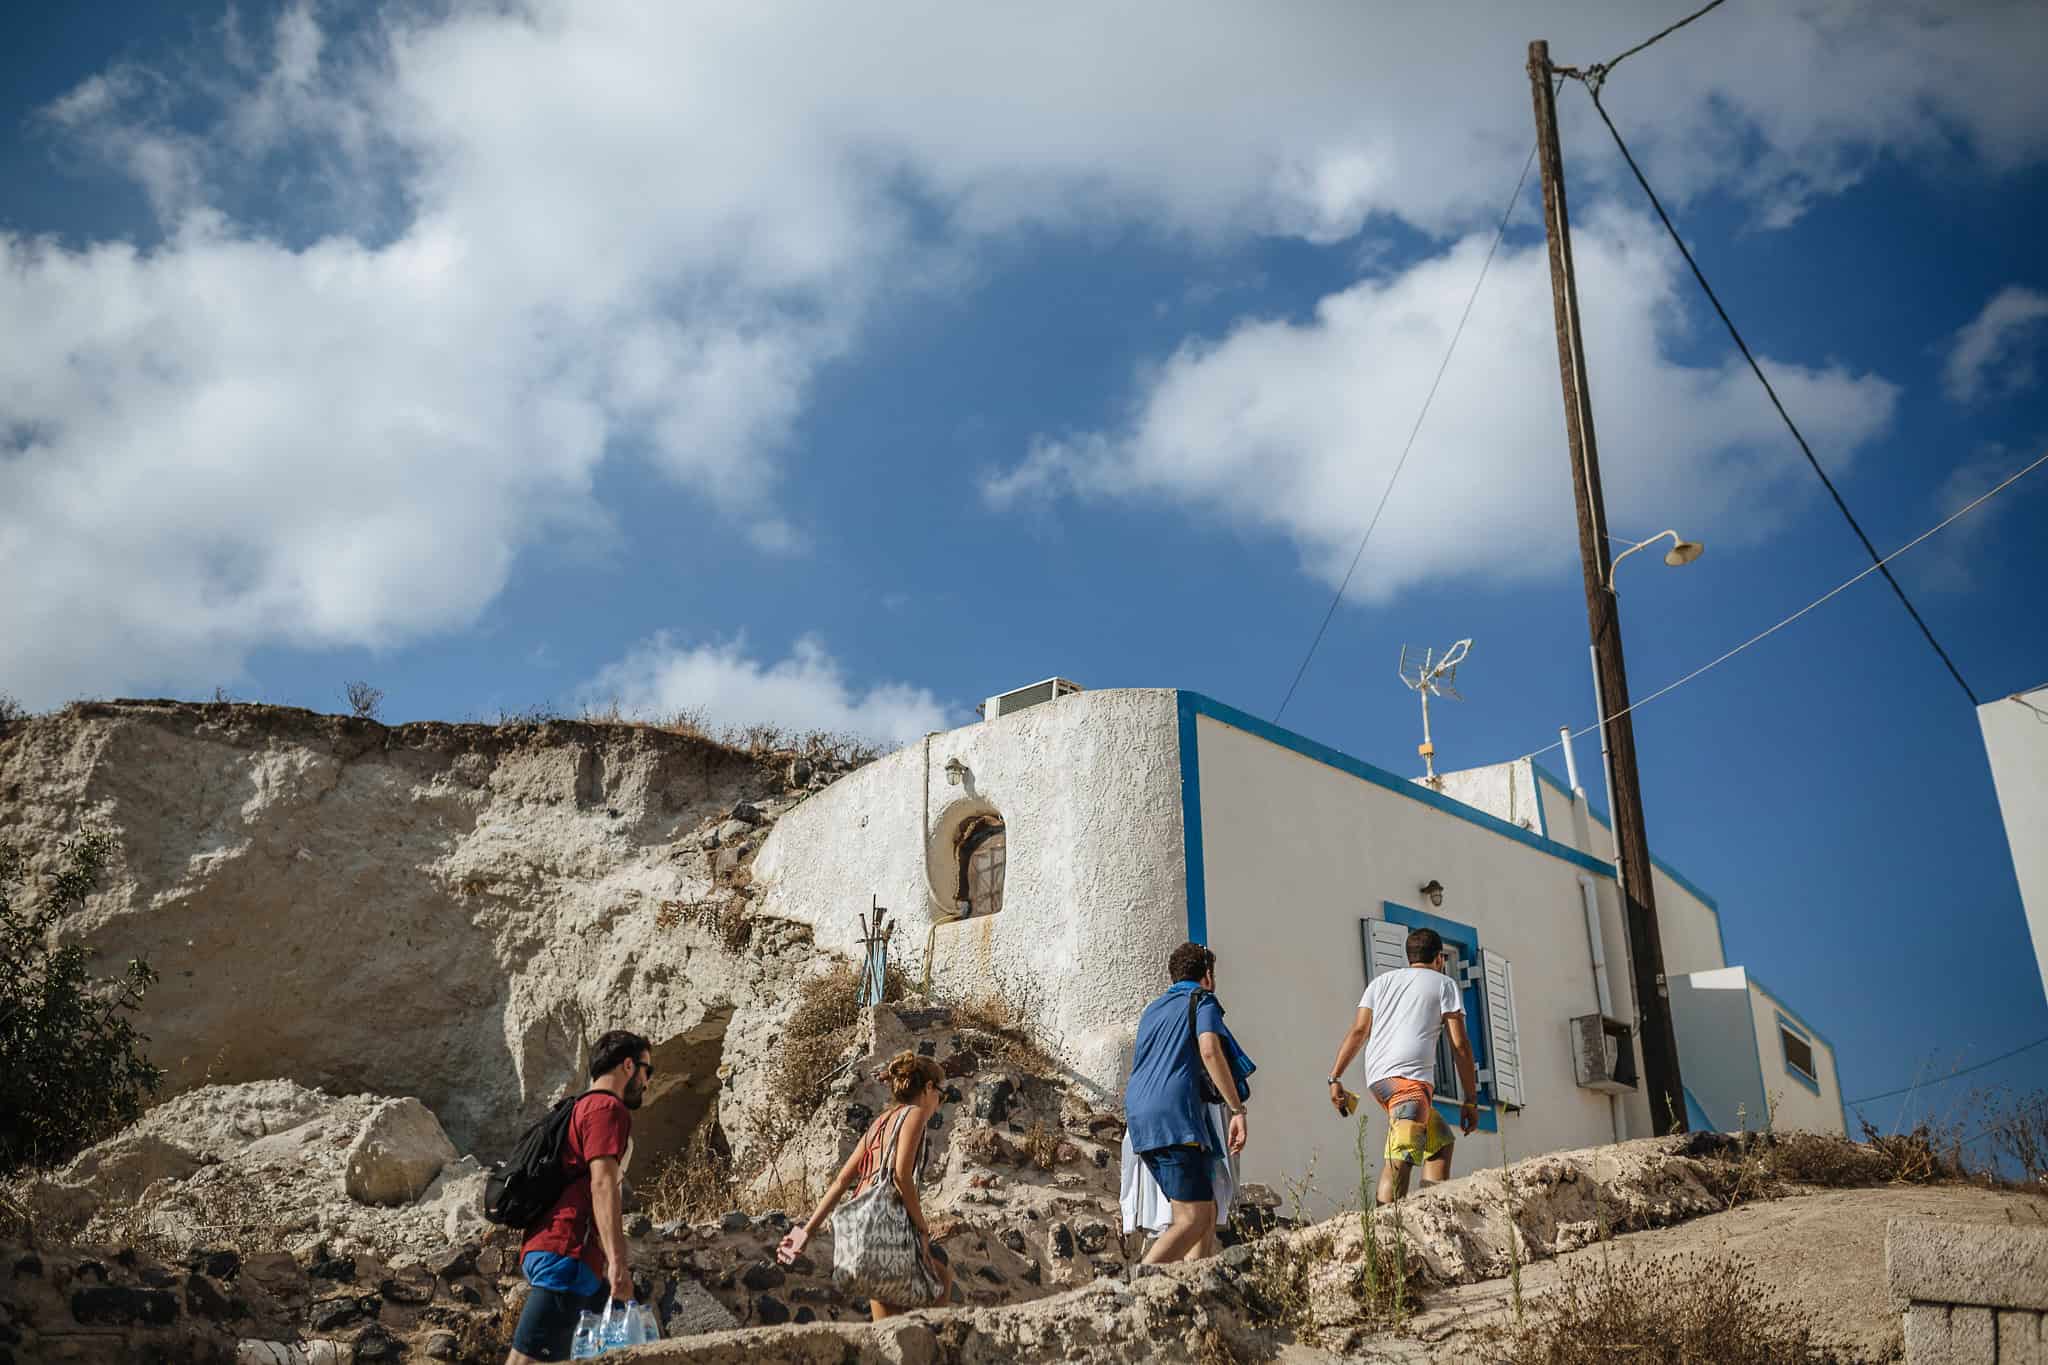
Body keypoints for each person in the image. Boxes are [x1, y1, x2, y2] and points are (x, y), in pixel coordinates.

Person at [506, 1029, 651, 1364]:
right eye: (647, 1070)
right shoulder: (606, 1109)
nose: (647, 1082)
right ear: (627, 1066)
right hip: (566, 1256)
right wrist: (618, 1262)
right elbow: (602, 1185)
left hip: (565, 1257)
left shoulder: (579, 1107)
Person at [776, 1051, 954, 1319]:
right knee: (941, 1279)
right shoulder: (914, 1115)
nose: (939, 1103)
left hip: (865, 1234)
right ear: (929, 1088)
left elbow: (840, 1181)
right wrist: (923, 1228)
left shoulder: (879, 1124)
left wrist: (805, 1233)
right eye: (941, 1094)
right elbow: (901, 1176)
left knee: (887, 1325)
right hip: (890, 1233)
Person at [1123, 942, 1255, 1264]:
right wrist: (1237, 1109)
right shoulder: (1202, 999)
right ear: (1207, 975)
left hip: (1140, 1117)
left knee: (1206, 1211)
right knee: (1192, 1218)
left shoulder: (1152, 1010)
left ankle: (1196, 1282)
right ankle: (1140, 1286)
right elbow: (1209, 1049)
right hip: (1175, 1117)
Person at [1325, 927, 1478, 1204]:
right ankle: (1387, 1230)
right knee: (1401, 1156)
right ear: (1440, 959)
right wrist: (1470, 1099)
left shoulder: (1380, 983)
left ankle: (1432, 1209)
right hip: (1409, 1084)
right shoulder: (1443, 984)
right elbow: (1460, 1045)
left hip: (1380, 1081)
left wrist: (1334, 1077)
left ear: (1409, 956)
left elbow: (1359, 1031)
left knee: (1440, 1142)